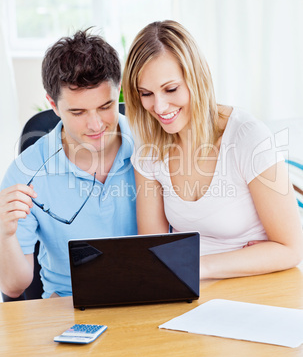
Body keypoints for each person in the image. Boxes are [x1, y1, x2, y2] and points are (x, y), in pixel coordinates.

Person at [122, 20, 303, 279]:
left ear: (197, 77)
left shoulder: (247, 138)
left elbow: (291, 249)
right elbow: (155, 250)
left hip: (259, 283)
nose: (160, 107)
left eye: (171, 89)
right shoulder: (150, 151)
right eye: (146, 93)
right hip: (190, 288)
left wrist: (200, 266)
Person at [0, 29, 137, 298]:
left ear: (118, 91)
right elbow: (13, 287)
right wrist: (4, 235)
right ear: (53, 104)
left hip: (147, 297)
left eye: (105, 106)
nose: (96, 124)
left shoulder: (150, 145)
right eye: (78, 112)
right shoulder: (25, 172)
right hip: (68, 307)